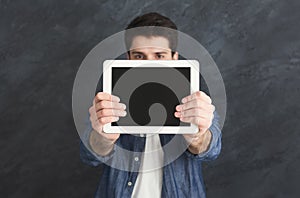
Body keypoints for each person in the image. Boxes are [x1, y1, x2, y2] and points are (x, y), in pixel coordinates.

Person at [80, 12, 222, 198]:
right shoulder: (108, 100)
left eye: (159, 55)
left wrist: (197, 137)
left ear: (174, 58)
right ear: (129, 58)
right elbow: (89, 155)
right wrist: (104, 137)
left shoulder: (195, 103)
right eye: (139, 56)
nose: (149, 65)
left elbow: (212, 149)